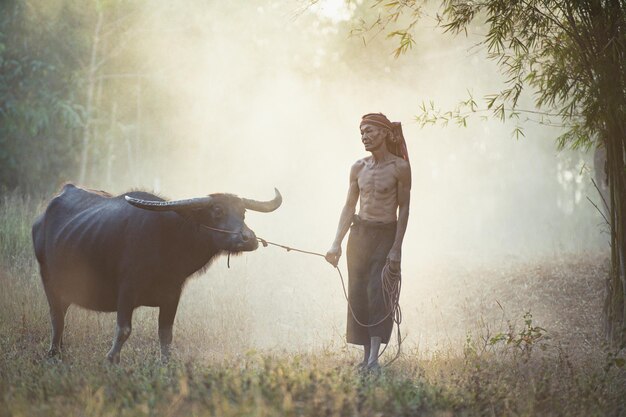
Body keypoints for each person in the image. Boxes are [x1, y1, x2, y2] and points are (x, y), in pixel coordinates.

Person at [326, 113, 411, 371]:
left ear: (385, 133)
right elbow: (349, 206)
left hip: (385, 235)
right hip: (359, 235)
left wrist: (396, 248)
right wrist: (336, 243)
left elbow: (404, 209)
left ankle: (373, 359)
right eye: (362, 132)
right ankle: (366, 357)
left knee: (379, 293)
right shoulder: (358, 167)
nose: (364, 137)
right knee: (359, 293)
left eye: (370, 131)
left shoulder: (400, 167)